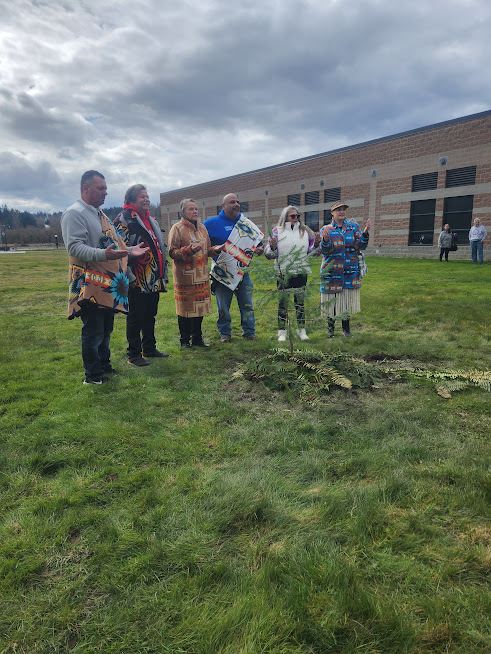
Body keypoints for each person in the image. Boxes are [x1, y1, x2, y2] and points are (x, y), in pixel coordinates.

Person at [61, 170, 148, 384]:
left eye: (106, 189)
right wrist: (105, 254)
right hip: (90, 283)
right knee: (93, 330)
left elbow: (112, 244)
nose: (105, 193)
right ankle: (92, 375)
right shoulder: (75, 213)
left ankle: (104, 366)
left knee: (106, 328)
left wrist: (128, 250)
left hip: (107, 284)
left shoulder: (100, 213)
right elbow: (75, 248)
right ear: (85, 189)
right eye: (101, 188)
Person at [114, 184, 168, 366]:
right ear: (130, 200)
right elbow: (117, 248)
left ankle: (149, 348)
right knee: (135, 316)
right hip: (136, 278)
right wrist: (130, 274)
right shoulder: (124, 219)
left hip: (153, 278)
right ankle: (134, 354)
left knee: (150, 315)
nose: (146, 199)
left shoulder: (149, 219)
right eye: (141, 196)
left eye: (147, 196)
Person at [204, 193, 264, 342]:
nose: (236, 204)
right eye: (232, 202)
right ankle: (225, 333)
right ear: (223, 206)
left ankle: (249, 332)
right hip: (222, 271)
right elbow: (204, 247)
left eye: (237, 202)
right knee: (223, 307)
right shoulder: (210, 223)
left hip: (243, 271)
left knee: (247, 304)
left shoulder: (246, 223)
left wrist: (259, 250)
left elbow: (258, 246)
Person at [168, 198, 222, 347]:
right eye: (191, 209)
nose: (195, 211)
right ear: (183, 212)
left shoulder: (203, 228)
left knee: (199, 307)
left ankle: (197, 339)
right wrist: (188, 250)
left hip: (201, 274)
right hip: (185, 276)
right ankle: (184, 340)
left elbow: (208, 250)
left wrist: (215, 249)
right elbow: (172, 252)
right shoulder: (177, 228)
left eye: (196, 209)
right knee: (185, 309)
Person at [265, 205, 320, 341]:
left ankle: (302, 331)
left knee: (300, 303)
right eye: (293, 216)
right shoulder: (277, 231)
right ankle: (282, 332)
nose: (296, 219)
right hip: (283, 272)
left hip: (301, 271)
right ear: (285, 217)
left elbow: (311, 252)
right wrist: (272, 247)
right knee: (283, 303)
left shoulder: (305, 232)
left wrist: (318, 244)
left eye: (298, 216)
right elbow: (269, 254)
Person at [320, 200, 370, 337]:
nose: (341, 211)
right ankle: (330, 329)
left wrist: (365, 233)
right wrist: (324, 240)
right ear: (332, 213)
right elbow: (325, 251)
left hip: (349, 270)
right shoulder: (326, 229)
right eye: (338, 209)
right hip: (332, 271)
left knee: (346, 301)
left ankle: (346, 330)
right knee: (332, 301)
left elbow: (360, 246)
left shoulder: (353, 227)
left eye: (343, 209)